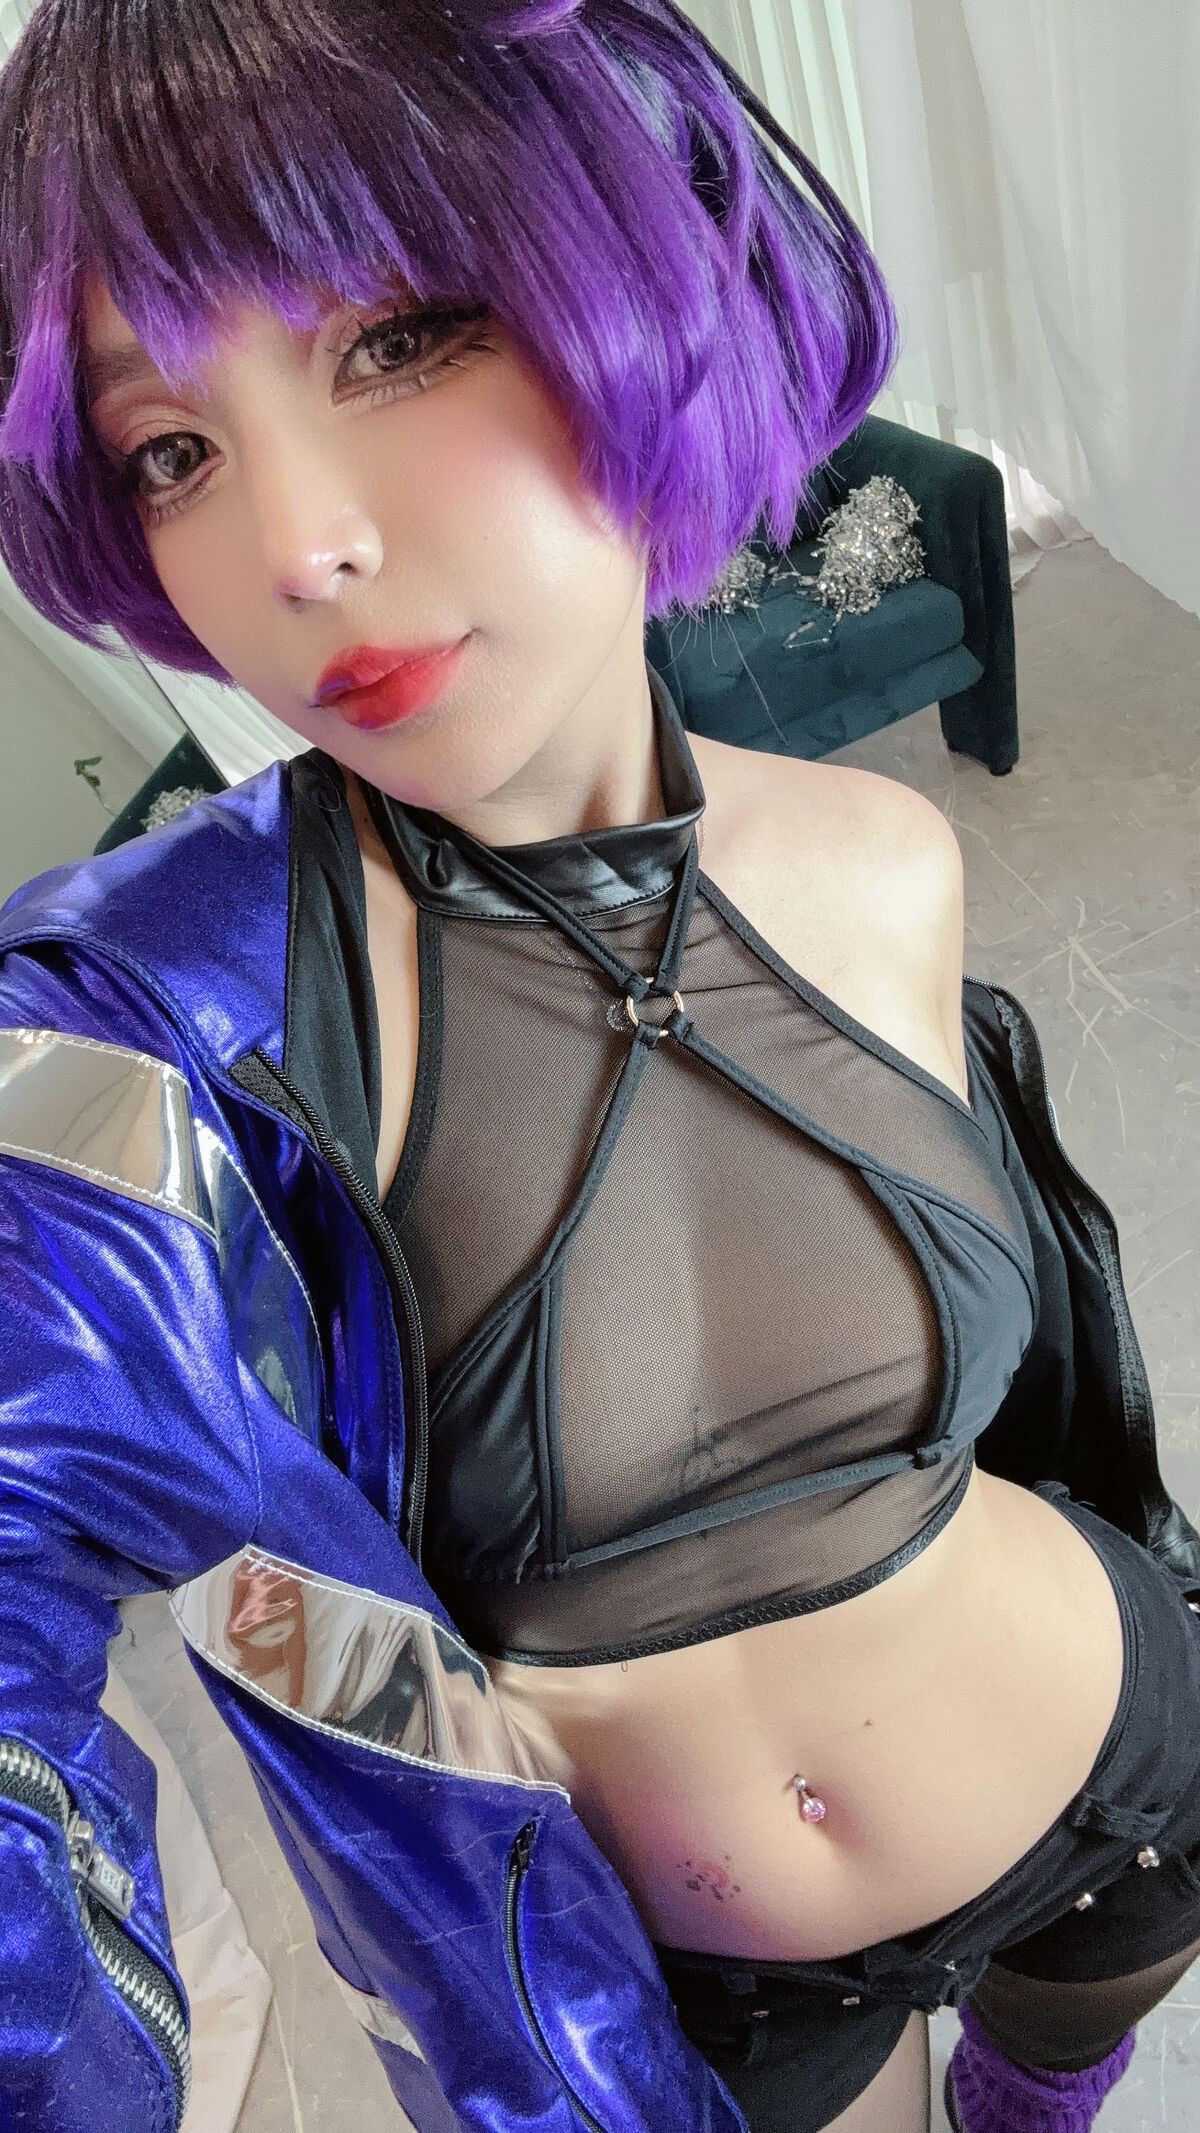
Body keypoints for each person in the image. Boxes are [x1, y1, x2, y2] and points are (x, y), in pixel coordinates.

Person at [0, 2, 1199, 2129]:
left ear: (622, 284)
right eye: (170, 451)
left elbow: (1038, 1395)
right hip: (707, 1997)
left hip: (1122, 1771)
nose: (296, 547)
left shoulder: (887, 862)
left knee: (1061, 2063)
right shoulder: (179, 1030)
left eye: (396, 340)